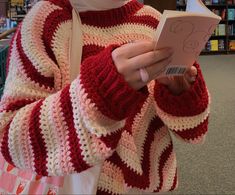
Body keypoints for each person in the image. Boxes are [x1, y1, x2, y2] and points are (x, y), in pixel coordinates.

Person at [0, 0, 210, 194]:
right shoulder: (45, 23)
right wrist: (101, 92)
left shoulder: (152, 21)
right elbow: (11, 142)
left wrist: (181, 91)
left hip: (146, 186)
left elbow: (194, 130)